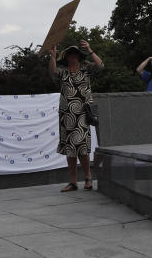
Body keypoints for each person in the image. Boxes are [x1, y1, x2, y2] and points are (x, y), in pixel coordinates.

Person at [48, 39, 103, 192]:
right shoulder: (63, 71)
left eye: (75, 54)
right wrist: (53, 56)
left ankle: (88, 176)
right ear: (66, 57)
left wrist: (90, 50)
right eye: (70, 55)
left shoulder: (86, 68)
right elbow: (53, 71)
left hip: (83, 114)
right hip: (66, 114)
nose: (73, 57)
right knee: (70, 148)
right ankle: (73, 182)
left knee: (82, 147)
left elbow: (101, 66)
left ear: (79, 56)